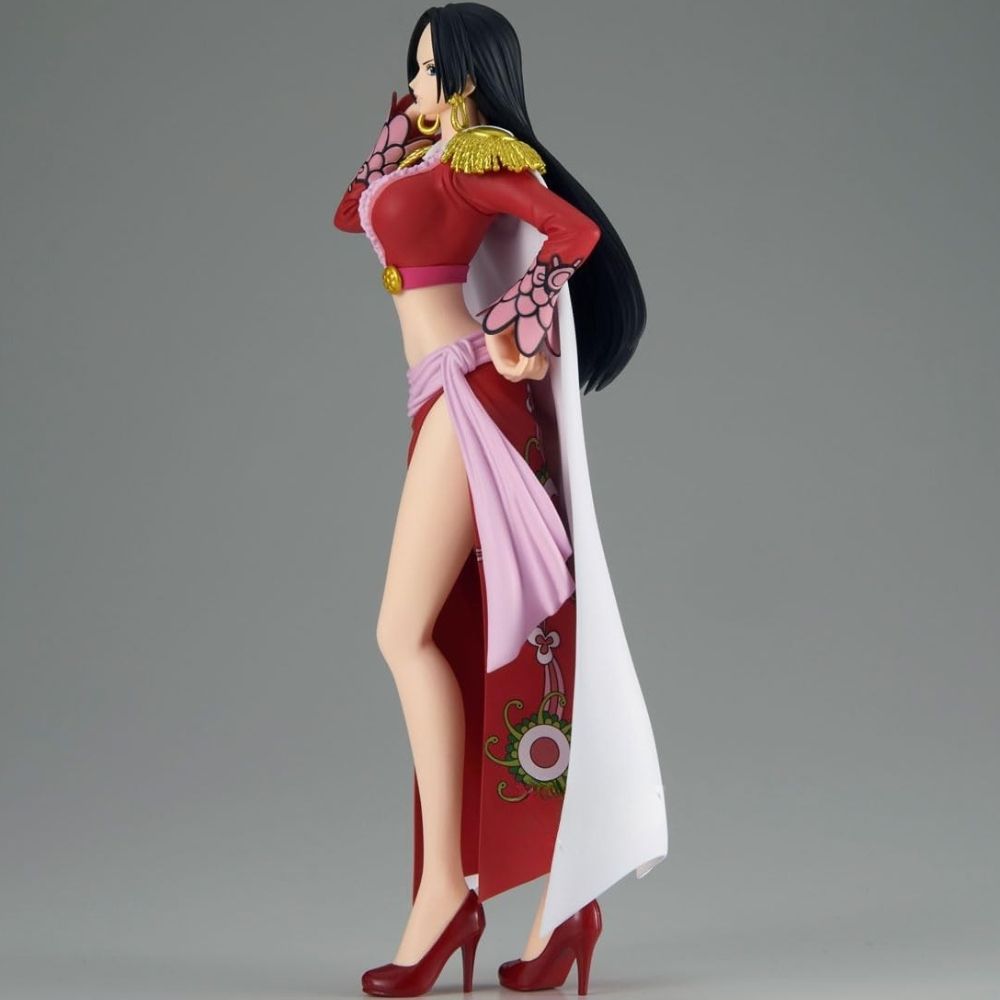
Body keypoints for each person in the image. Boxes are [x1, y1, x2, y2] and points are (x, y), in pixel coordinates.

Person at [332, 5, 669, 995]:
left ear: (472, 76)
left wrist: (518, 313)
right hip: (433, 396)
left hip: (467, 396)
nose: (416, 86)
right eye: (412, 68)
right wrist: (400, 126)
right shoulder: (428, 157)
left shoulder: (477, 162)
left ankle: (448, 892)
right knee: (449, 635)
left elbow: (574, 231)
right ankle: (557, 902)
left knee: (402, 633)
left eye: (430, 70)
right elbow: (353, 213)